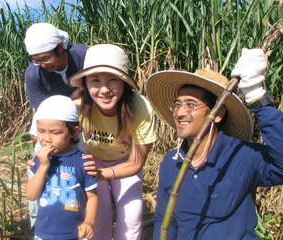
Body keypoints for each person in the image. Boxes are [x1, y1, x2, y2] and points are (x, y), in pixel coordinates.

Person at [147, 48, 283, 239]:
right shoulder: (172, 162)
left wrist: (257, 97)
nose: (179, 113)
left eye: (191, 105)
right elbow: (164, 219)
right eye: (177, 105)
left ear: (217, 114)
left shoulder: (241, 155)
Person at [69, 44, 157, 240]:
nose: (104, 89)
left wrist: (103, 175)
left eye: (112, 80)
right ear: (85, 83)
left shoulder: (140, 108)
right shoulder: (76, 107)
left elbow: (136, 163)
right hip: (92, 161)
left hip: (125, 162)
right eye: (95, 81)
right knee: (99, 217)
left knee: (131, 217)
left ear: (124, 82)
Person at [24, 22, 89, 227]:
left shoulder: (84, 57)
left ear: (60, 47)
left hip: (83, 121)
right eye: (37, 60)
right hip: (51, 126)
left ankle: (82, 222)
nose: (43, 64)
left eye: (46, 58)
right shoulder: (34, 73)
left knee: (80, 174)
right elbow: (40, 112)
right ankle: (38, 224)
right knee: (38, 170)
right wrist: (41, 139)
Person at [25, 95, 98, 240]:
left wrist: (89, 222)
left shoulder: (82, 162)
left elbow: (92, 196)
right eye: (41, 131)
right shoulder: (39, 160)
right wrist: (43, 166)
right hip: (43, 234)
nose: (47, 139)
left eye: (55, 133)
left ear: (74, 132)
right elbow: (31, 195)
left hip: (75, 234)